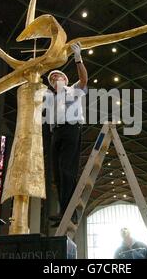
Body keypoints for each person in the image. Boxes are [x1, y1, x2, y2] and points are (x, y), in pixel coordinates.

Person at [47, 42, 88, 227]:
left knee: (67, 171)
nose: (55, 79)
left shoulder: (73, 90)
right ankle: (63, 210)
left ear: (65, 79)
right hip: (56, 133)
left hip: (71, 129)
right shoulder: (50, 99)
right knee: (56, 174)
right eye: (52, 78)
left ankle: (70, 213)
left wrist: (78, 59)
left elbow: (84, 79)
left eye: (58, 76)